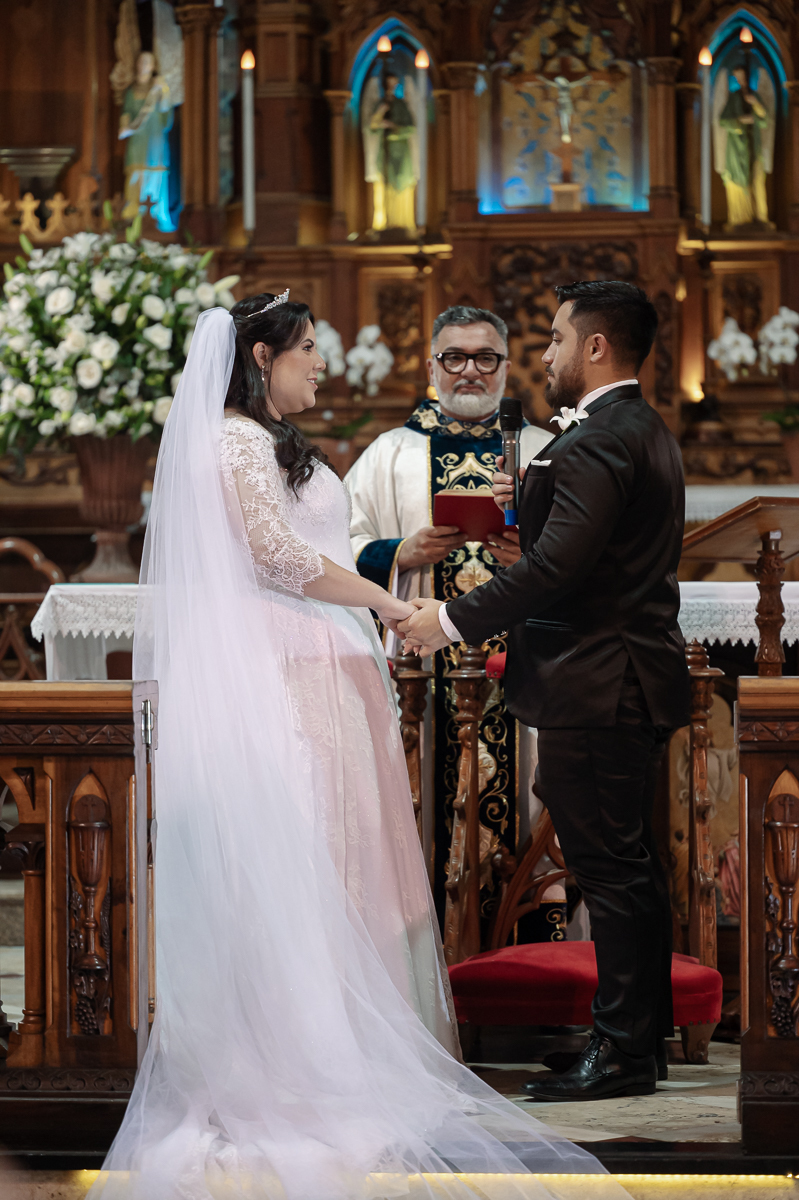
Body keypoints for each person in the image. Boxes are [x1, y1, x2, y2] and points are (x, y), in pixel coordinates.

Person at [90, 295, 626, 1197]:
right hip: (291, 672)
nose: (319, 366)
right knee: (308, 866)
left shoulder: (273, 439)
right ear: (261, 356)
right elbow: (276, 556)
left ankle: (334, 1039)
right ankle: (303, 1056)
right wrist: (389, 600)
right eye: (306, 351)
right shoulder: (235, 442)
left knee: (338, 864)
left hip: (326, 665)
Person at [400, 280, 690, 1102]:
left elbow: (563, 570)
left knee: (613, 872)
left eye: (558, 339)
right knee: (627, 868)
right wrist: (526, 525)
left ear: (595, 346)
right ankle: (634, 1039)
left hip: (596, 684)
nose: (547, 354)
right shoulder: (635, 428)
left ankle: (625, 1050)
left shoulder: (599, 436)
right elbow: (586, 557)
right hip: (617, 676)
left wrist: (447, 621)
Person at [345, 307, 552, 928]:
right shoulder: (389, 454)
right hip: (420, 684)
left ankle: (531, 957)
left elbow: (583, 557)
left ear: (507, 366)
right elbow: (334, 546)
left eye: (484, 357)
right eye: (454, 357)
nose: (469, 370)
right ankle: (429, 951)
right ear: (431, 365)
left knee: (530, 801)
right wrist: (398, 552)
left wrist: (532, 556)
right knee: (425, 808)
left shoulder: (542, 451)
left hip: (527, 680)